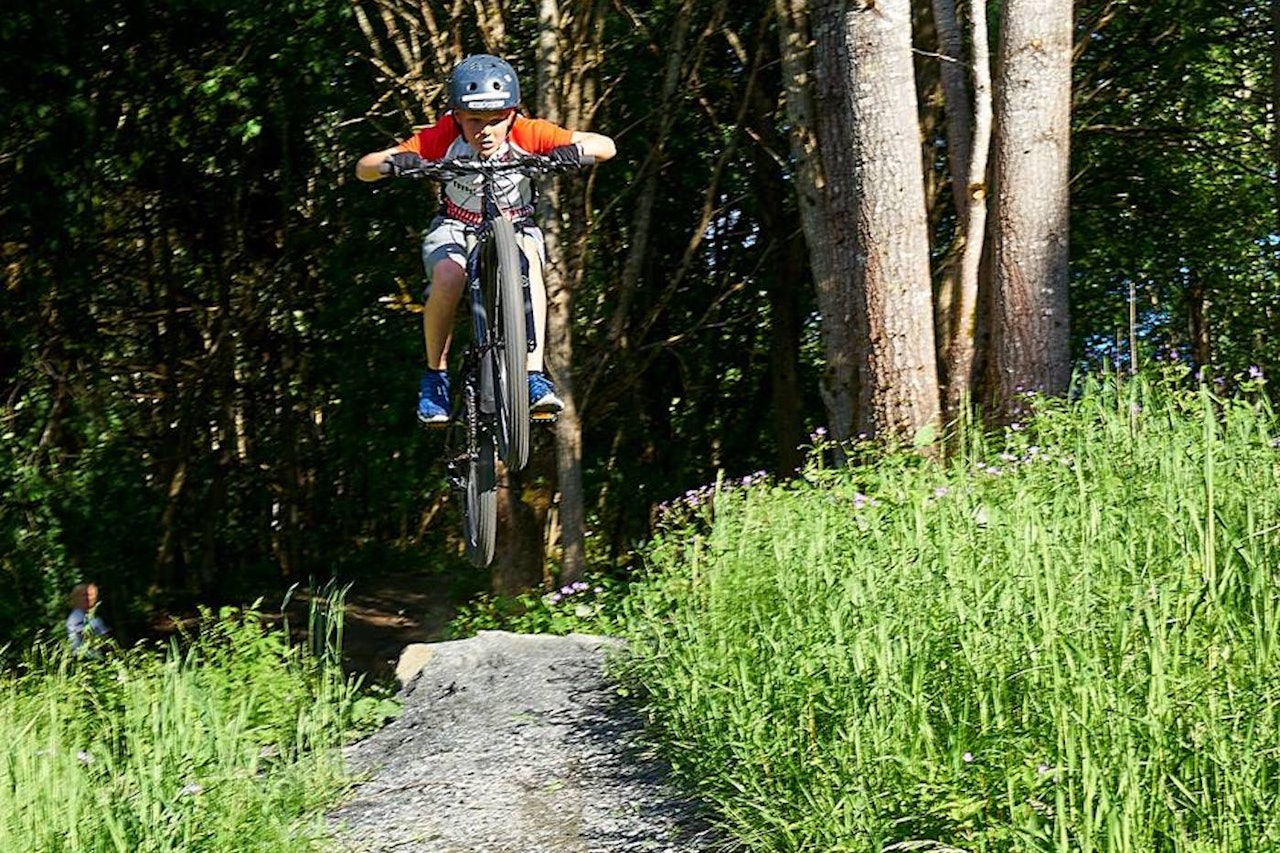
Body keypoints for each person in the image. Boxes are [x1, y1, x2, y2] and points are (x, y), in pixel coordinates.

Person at [356, 54, 617, 425]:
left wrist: (569, 152)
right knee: (448, 276)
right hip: (455, 227)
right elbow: (364, 167)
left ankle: (532, 376)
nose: (486, 131)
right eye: (474, 120)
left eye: (497, 121)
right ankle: (435, 377)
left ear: (512, 114)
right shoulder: (443, 137)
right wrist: (398, 162)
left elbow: (605, 146)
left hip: (515, 227)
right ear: (457, 116)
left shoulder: (528, 132)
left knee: (529, 257)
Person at [66, 582, 109, 656]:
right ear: (76, 598)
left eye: (90, 595)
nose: (88, 598)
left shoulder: (93, 617)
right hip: (84, 658)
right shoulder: (76, 617)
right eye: (84, 595)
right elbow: (83, 636)